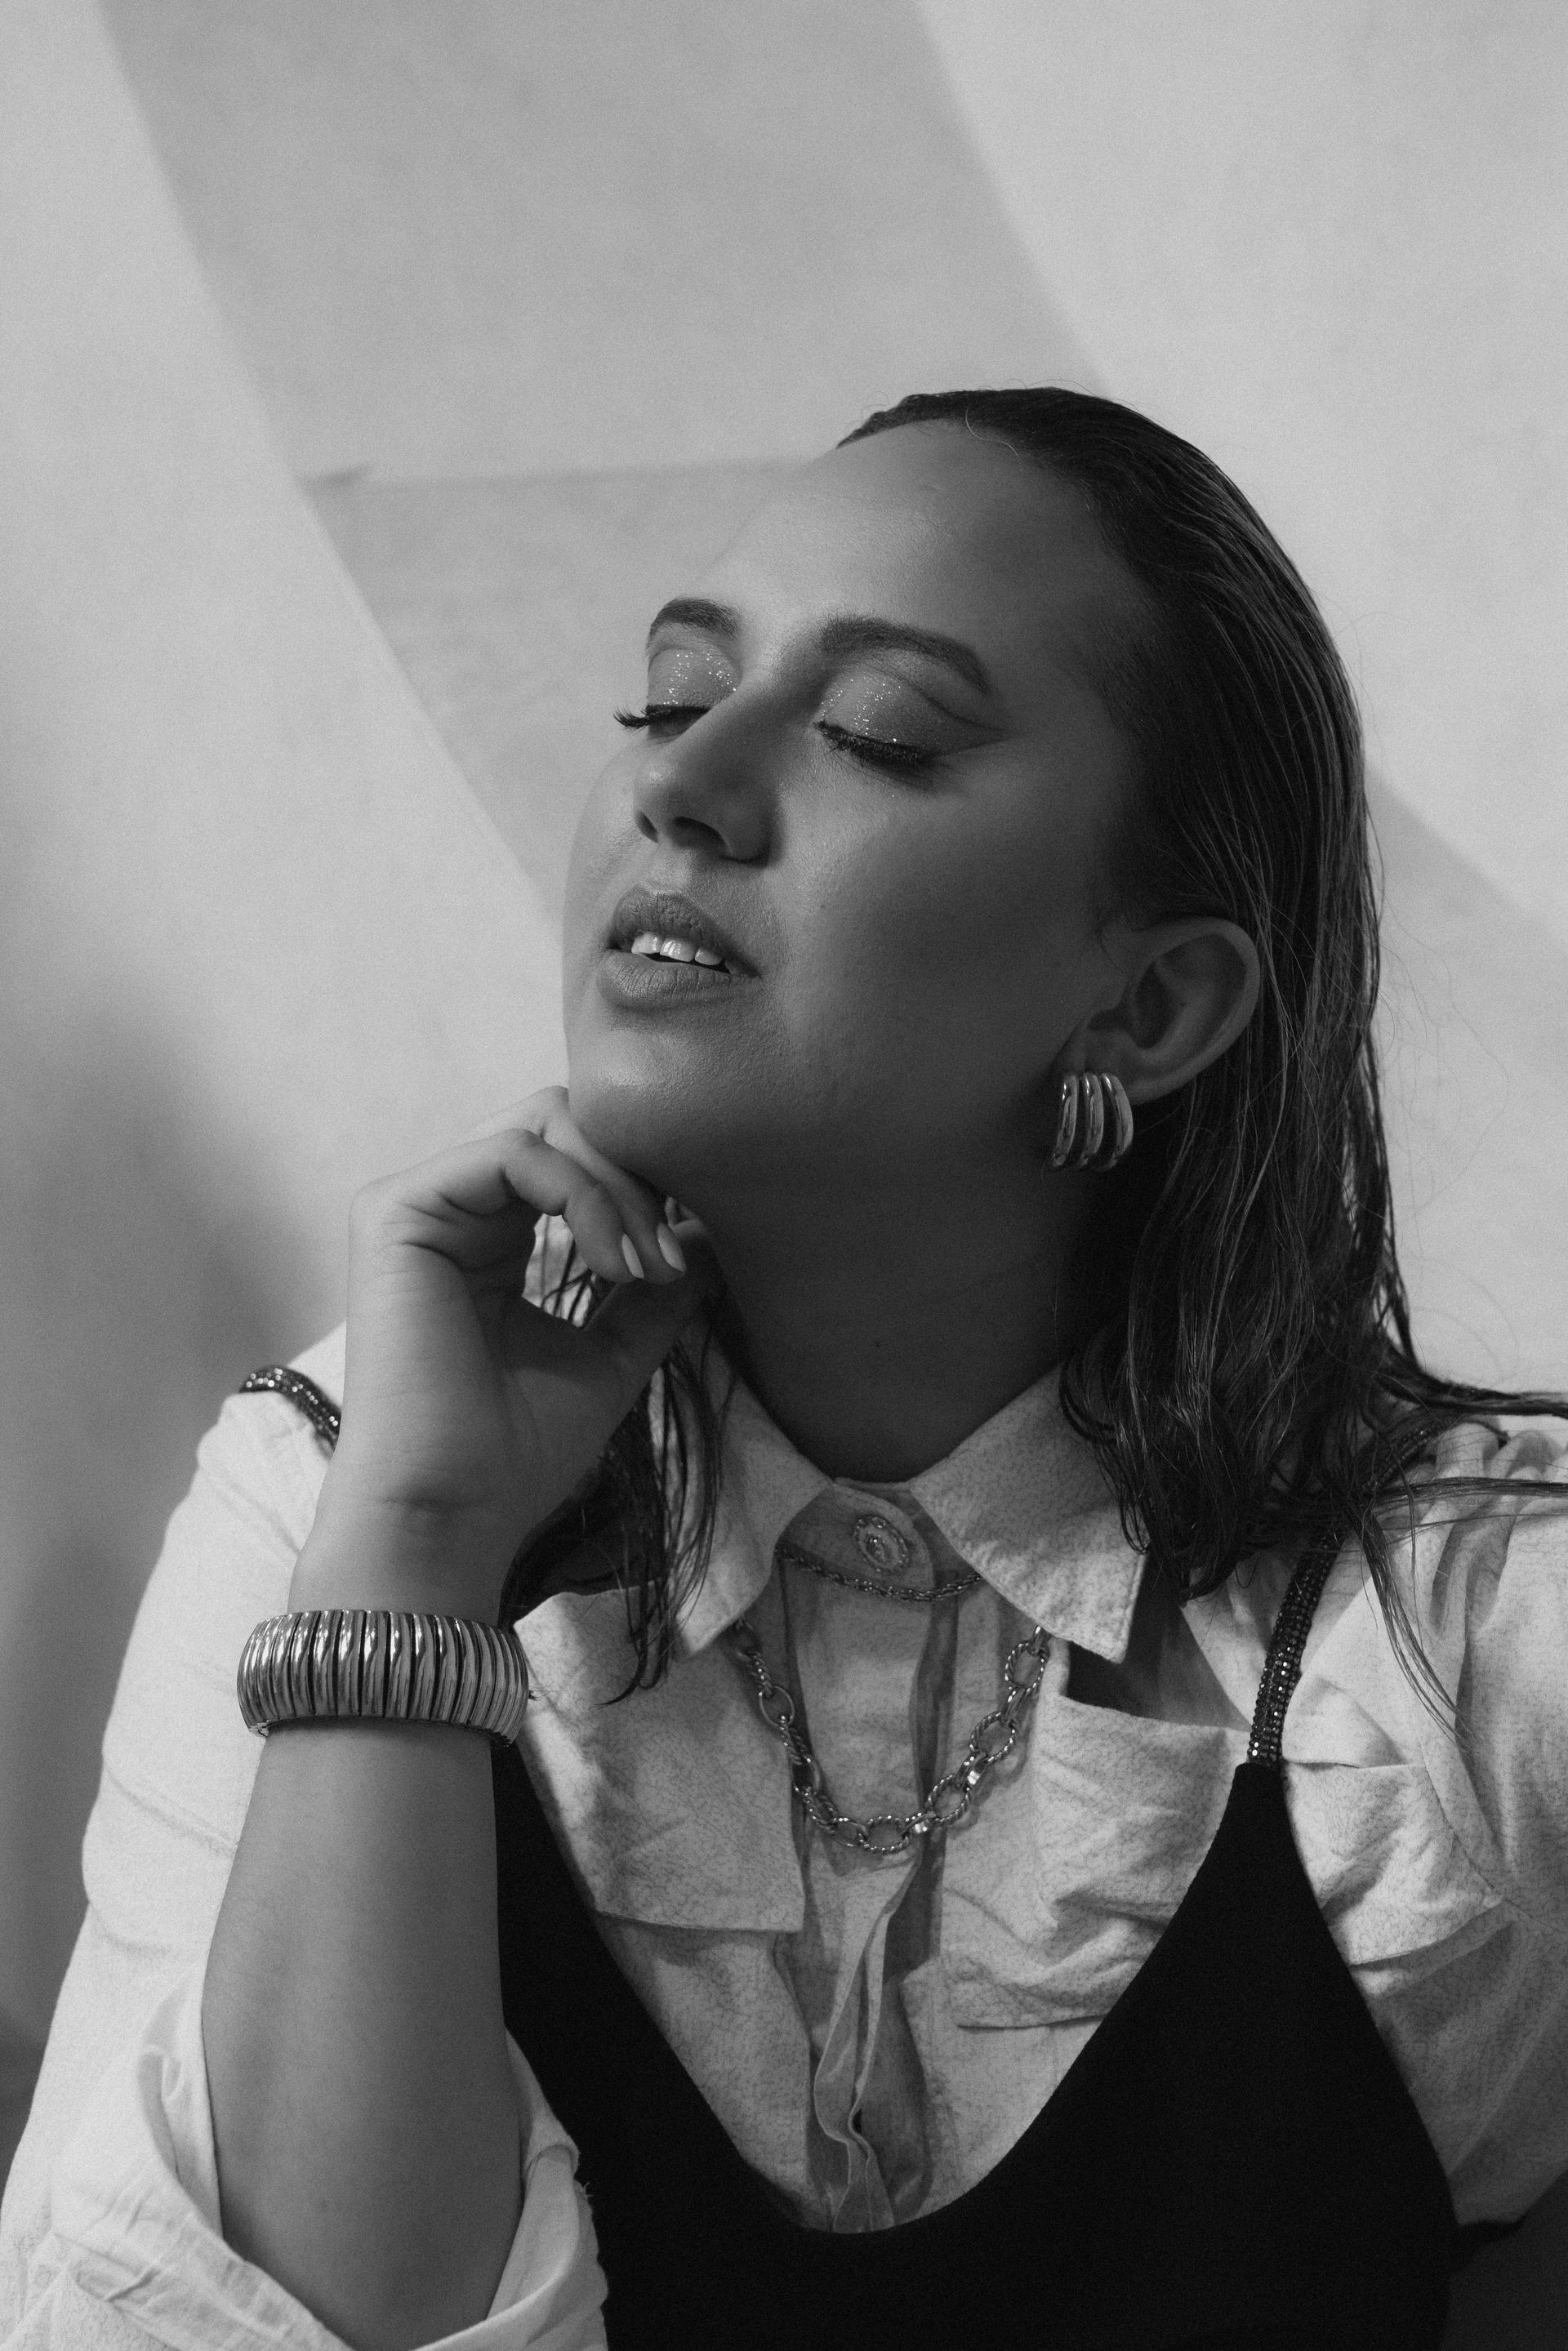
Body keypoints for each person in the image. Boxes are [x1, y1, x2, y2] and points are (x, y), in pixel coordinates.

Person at [3, 388, 1566, 2351]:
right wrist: (409, 1552)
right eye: (668, 701)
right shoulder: (329, 1482)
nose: (688, 787)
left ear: (1155, 1000)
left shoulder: (1476, 1648)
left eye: (880, 736)